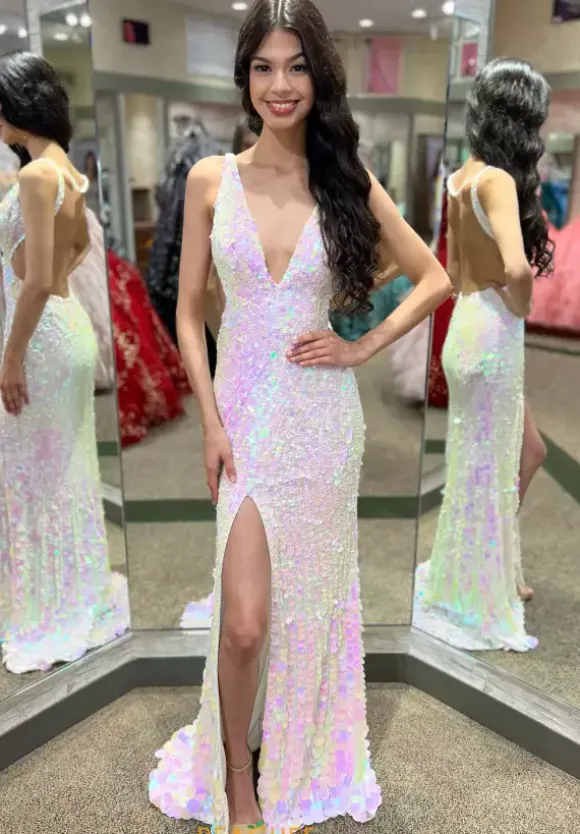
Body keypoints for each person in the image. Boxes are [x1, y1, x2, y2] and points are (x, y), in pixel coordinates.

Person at [149, 2, 450, 831]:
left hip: (321, 423)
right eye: (263, 67)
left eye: (296, 67)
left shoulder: (345, 180)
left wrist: (362, 347)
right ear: (244, 77)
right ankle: (236, 778)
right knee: (244, 625)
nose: (279, 85)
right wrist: (209, 422)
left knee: (309, 601)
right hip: (245, 417)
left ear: (320, 77)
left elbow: (433, 276)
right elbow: (187, 313)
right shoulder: (211, 179)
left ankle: (296, 747)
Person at [413, 58, 554, 652]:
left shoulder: (459, 179)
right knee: (491, 463)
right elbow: (518, 269)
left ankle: (487, 566)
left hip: (465, 326)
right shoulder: (496, 180)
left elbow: (451, 271)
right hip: (493, 328)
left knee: (504, 455)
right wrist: (521, 305)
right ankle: (481, 579)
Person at [0, 53, 129, 673]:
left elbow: (33, 282)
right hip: (67, 326)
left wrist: (11, 356)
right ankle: (76, 588)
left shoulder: (33, 176)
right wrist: (50, 277)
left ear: (19, 108)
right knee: (68, 465)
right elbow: (78, 247)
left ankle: (50, 606)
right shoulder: (69, 173)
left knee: (34, 473)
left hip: (42, 338)